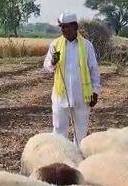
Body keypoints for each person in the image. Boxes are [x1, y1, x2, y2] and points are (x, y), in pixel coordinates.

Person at [44, 12, 101, 144]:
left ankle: (78, 159)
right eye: (62, 27)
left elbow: (94, 70)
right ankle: (62, 159)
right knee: (58, 130)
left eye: (67, 27)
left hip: (81, 96)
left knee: (80, 130)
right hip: (60, 96)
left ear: (75, 27)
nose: (64, 30)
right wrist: (53, 62)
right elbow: (47, 67)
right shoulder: (55, 45)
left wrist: (96, 91)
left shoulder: (87, 46)